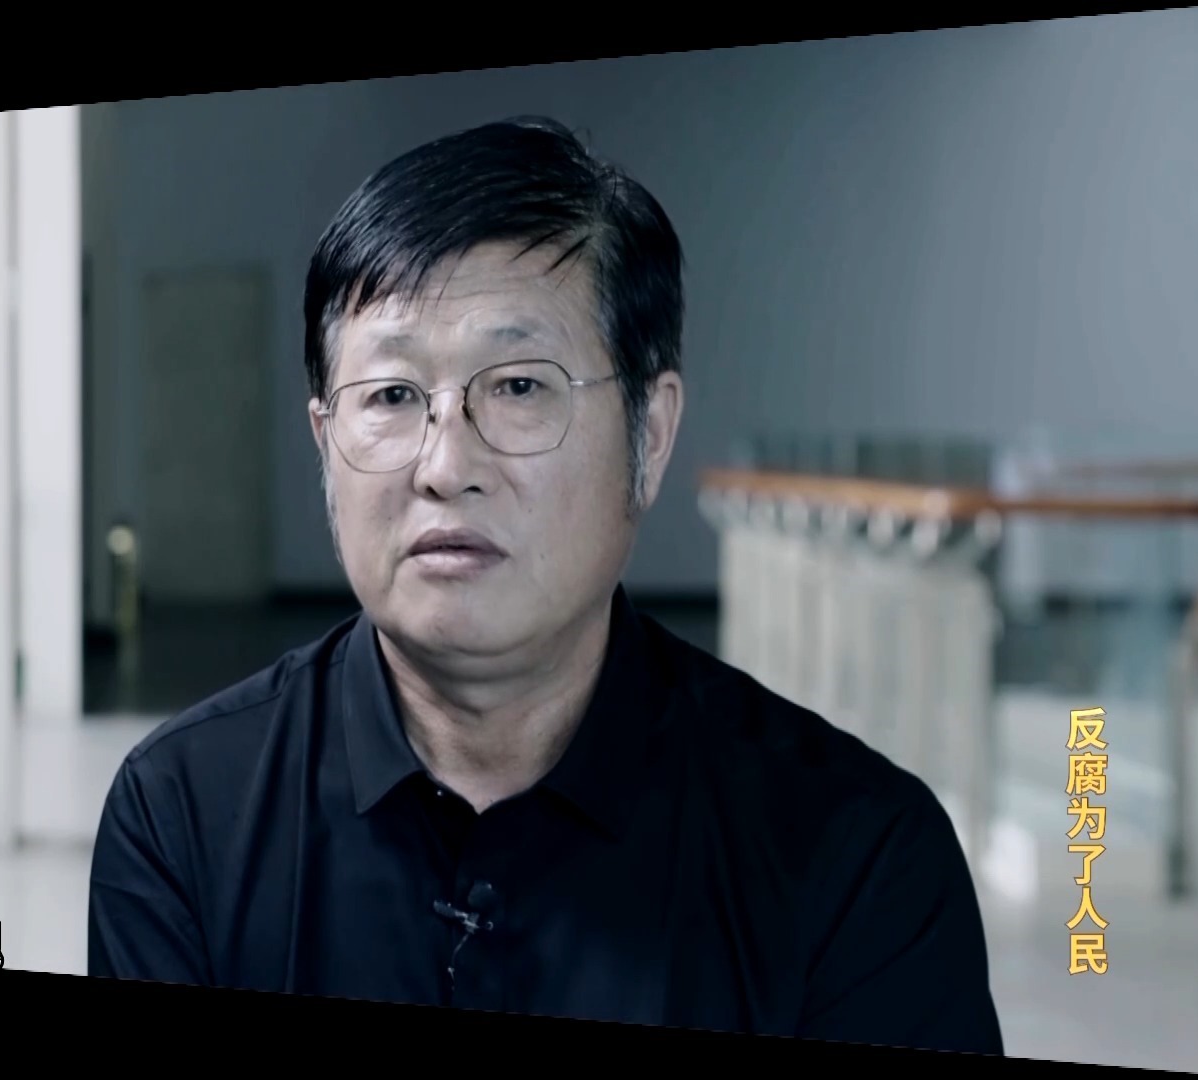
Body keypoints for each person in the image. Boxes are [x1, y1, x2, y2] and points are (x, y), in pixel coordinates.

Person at [87, 115, 1002, 1055]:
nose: (446, 466)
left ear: (650, 433)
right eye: (393, 396)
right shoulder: (184, 818)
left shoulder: (855, 858)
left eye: (519, 387)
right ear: (326, 442)